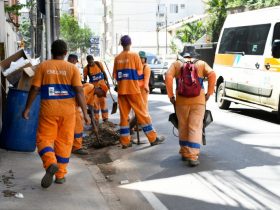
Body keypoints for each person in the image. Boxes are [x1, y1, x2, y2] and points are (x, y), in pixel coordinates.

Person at [22, 40, 90, 188]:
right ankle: (60, 175)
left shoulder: (44, 66)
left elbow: (34, 89)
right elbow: (79, 91)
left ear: (51, 51)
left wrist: (27, 108)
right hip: (68, 112)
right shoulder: (72, 68)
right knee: (64, 142)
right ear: (65, 53)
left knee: (44, 140)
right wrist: (85, 113)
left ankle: (50, 162)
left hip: (49, 110)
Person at [165, 46, 216, 167]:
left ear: (184, 54)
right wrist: (208, 93)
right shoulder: (201, 64)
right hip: (198, 101)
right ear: (194, 55)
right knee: (195, 127)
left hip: (181, 102)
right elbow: (212, 75)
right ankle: (192, 156)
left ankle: (184, 152)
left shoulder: (177, 64)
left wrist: (171, 96)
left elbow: (168, 76)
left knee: (183, 126)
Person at [113, 35, 164, 148]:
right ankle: (153, 138)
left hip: (122, 91)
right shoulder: (134, 55)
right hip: (133, 90)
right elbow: (140, 73)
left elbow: (115, 75)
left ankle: (125, 142)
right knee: (142, 113)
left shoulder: (117, 58)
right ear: (130, 43)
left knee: (124, 116)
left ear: (121, 44)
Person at [129, 51, 151, 132]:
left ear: (145, 59)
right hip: (134, 90)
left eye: (142, 58)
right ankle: (134, 126)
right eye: (139, 58)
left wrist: (146, 87)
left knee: (143, 108)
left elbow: (146, 79)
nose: (141, 59)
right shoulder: (134, 68)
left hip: (143, 90)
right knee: (135, 109)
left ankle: (141, 124)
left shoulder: (146, 67)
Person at [83, 55, 109, 122]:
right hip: (94, 89)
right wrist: (85, 81)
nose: (90, 63)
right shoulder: (86, 68)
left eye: (91, 61)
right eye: (89, 62)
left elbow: (104, 73)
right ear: (87, 61)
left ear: (93, 59)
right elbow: (85, 78)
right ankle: (96, 119)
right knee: (95, 104)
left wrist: (107, 82)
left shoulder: (99, 64)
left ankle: (105, 118)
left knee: (103, 102)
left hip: (102, 87)